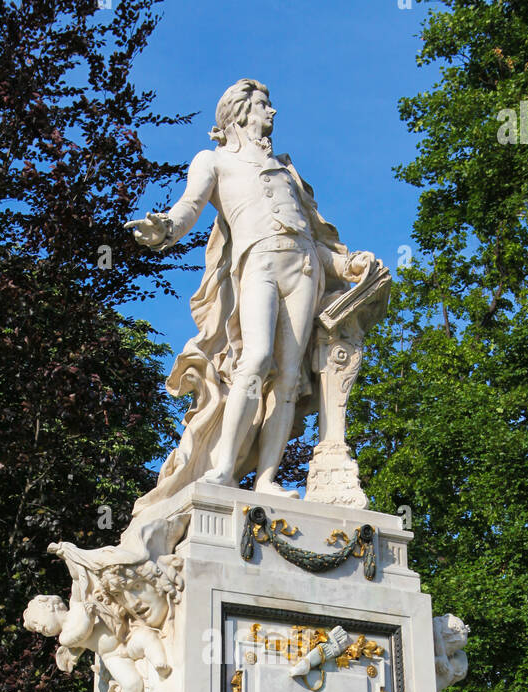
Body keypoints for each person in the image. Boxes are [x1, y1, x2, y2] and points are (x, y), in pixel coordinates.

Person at [126, 79, 376, 504]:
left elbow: (313, 234)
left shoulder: (287, 169)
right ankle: (223, 467)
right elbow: (188, 208)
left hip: (304, 265)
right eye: (263, 105)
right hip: (256, 261)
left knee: (290, 374)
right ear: (240, 113)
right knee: (256, 358)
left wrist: (349, 263)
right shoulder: (214, 160)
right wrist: (165, 228)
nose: (271, 113)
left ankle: (266, 479)